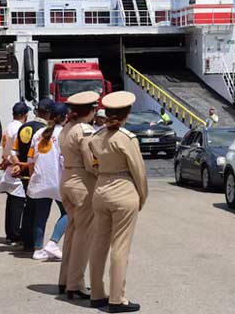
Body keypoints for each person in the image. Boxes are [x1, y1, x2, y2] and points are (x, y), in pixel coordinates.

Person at [89, 91, 148, 313]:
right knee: (120, 247)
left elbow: (92, 164)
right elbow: (138, 171)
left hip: (101, 187)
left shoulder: (95, 137)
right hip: (123, 188)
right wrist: (142, 195)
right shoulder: (126, 138)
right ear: (127, 114)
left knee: (99, 244)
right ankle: (117, 298)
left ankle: (96, 293)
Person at [58, 91, 99, 299]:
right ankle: (76, 283)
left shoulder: (66, 128)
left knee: (73, 232)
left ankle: (65, 279)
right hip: (82, 182)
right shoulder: (85, 130)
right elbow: (91, 162)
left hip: (66, 178)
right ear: (91, 111)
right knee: (84, 235)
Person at [10, 98, 55, 251]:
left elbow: (14, 151)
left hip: (23, 174)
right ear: (49, 113)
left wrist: (18, 165)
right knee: (39, 210)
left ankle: (26, 240)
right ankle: (35, 243)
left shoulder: (23, 127)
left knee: (28, 207)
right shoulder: (45, 131)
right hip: (36, 172)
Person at [27, 102, 69, 260]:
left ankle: (38, 249)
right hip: (57, 179)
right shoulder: (63, 134)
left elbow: (30, 159)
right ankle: (52, 242)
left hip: (39, 179)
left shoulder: (38, 133)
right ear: (65, 117)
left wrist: (32, 179)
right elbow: (64, 161)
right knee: (70, 212)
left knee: (41, 214)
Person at [0, 102, 29, 244]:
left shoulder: (8, 127)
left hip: (8, 166)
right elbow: (15, 151)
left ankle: (10, 233)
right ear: (24, 115)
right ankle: (15, 234)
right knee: (17, 203)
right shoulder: (19, 129)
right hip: (15, 167)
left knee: (11, 203)